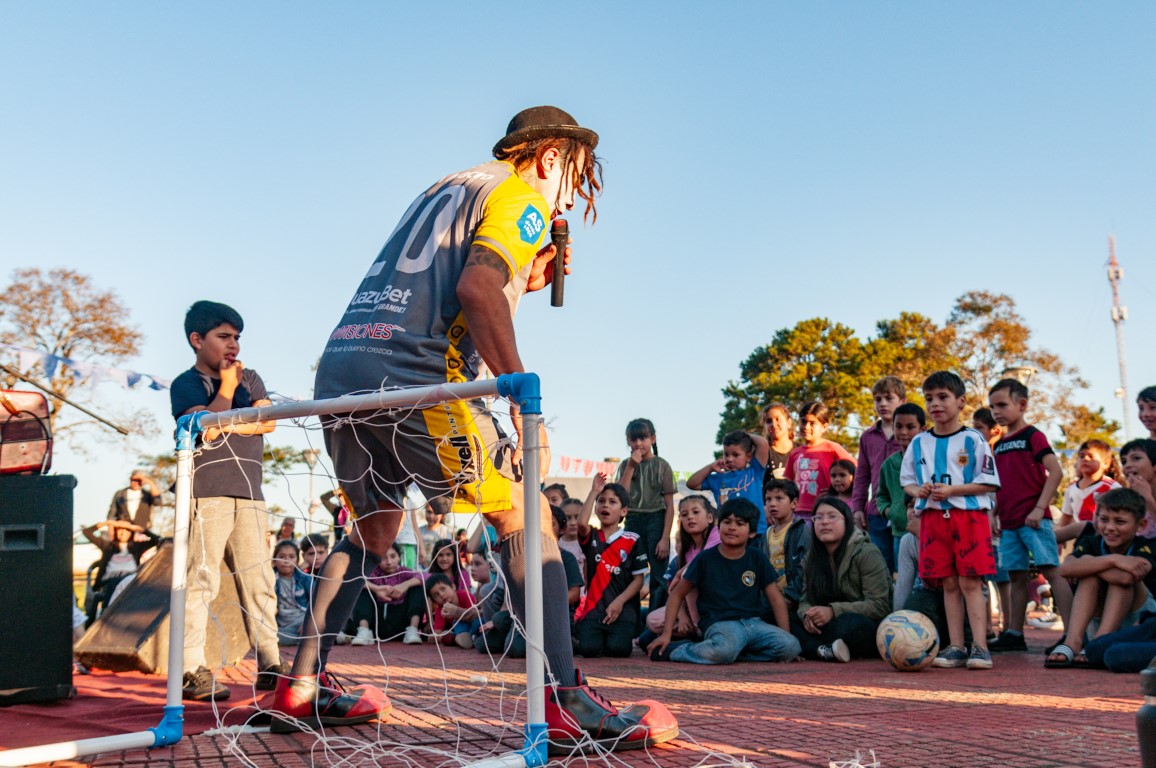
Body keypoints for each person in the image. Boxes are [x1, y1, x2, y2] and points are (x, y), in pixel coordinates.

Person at [274, 107, 676, 748]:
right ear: (550, 159)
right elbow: (477, 289)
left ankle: (299, 683)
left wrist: (515, 281)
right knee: (528, 515)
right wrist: (520, 395)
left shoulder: (451, 185)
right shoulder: (522, 196)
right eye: (573, 178)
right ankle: (564, 697)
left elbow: (455, 290)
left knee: (374, 529)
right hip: (412, 371)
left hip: (344, 366)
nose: (570, 193)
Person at [170, 300, 285, 702]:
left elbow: (268, 421)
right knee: (200, 581)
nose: (233, 344)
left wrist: (234, 410)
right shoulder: (186, 384)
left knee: (259, 580)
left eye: (236, 337)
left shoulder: (251, 376)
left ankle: (271, 664)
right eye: (223, 336)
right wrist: (231, 392)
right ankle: (188, 669)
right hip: (206, 491)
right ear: (197, 340)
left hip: (250, 492)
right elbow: (209, 431)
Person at [900, 370, 1000, 670]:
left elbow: (989, 482)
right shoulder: (919, 443)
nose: (935, 404)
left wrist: (953, 489)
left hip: (968, 517)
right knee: (948, 583)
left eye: (943, 397)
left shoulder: (974, 439)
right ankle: (956, 647)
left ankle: (980, 647)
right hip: (933, 519)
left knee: (971, 581)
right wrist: (920, 490)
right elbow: (908, 481)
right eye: (929, 398)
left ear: (961, 401)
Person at [647, 498, 800, 665]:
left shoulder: (757, 558)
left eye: (740, 523)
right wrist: (666, 634)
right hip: (720, 624)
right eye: (727, 522)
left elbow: (776, 599)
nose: (732, 527)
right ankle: (677, 650)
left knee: (791, 647)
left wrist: (786, 635)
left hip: (754, 624)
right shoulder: (705, 559)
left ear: (752, 533)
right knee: (724, 649)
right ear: (718, 527)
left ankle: (735, 654)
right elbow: (676, 594)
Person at [986, 378, 1073, 653]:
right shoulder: (998, 445)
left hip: (1034, 520)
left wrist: (1039, 508)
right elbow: (1000, 483)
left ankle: (1072, 633)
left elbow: (1056, 471)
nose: (996, 411)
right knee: (1015, 576)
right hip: (1009, 522)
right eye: (992, 407)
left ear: (1021, 404)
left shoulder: (1033, 436)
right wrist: (994, 514)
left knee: (1051, 570)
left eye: (1002, 405)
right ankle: (1014, 632)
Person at [1047, 488, 1156, 667]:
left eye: (1120, 522)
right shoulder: (1092, 541)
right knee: (1090, 577)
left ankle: (1099, 643)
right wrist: (1114, 559)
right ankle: (1072, 642)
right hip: (1097, 621)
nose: (1110, 528)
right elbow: (1066, 569)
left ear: (1141, 525)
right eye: (1104, 519)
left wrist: (1088, 564)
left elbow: (1125, 578)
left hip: (1139, 623)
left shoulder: (1147, 546)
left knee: (1115, 579)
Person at [792, 497, 892, 662]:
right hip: (824, 625)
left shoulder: (867, 553)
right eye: (818, 517)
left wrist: (832, 611)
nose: (824, 522)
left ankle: (814, 648)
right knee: (780, 616)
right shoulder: (811, 557)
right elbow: (804, 599)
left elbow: (879, 605)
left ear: (847, 522)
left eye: (832, 516)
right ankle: (822, 650)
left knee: (847, 625)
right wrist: (807, 615)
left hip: (860, 623)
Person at [573, 475, 648, 658]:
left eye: (612, 502)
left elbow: (638, 581)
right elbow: (581, 523)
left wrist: (619, 602)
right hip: (593, 609)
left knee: (619, 650)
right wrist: (593, 492)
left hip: (623, 610)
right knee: (589, 651)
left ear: (623, 511)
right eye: (601, 501)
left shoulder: (633, 540)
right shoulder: (591, 536)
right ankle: (580, 637)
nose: (605, 505)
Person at [639, 494, 721, 649]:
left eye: (696, 512)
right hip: (691, 610)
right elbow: (676, 592)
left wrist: (680, 572)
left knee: (688, 575)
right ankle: (692, 632)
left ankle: (702, 633)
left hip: (715, 607)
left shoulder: (716, 535)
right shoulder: (685, 551)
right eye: (684, 514)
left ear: (710, 518)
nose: (690, 517)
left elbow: (701, 563)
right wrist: (682, 616)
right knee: (652, 621)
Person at [615, 418, 676, 610]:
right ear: (628, 442)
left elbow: (669, 506)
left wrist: (665, 537)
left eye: (643, 438)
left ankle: (656, 620)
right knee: (630, 571)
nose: (639, 444)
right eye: (634, 440)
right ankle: (630, 621)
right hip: (632, 519)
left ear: (653, 439)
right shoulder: (626, 464)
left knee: (658, 574)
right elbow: (620, 496)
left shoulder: (662, 465)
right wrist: (632, 466)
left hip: (656, 520)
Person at [851, 377, 906, 572]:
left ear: (902, 402)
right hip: (876, 512)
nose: (882, 403)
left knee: (906, 568)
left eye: (888, 398)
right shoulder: (868, 436)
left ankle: (905, 604)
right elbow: (862, 476)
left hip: (905, 510)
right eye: (877, 399)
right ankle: (884, 603)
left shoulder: (912, 433)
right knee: (881, 568)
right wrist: (857, 508)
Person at [688, 430, 771, 544]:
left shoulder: (754, 471)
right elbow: (691, 483)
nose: (729, 459)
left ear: (748, 457)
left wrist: (743, 436)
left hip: (755, 534)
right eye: (726, 454)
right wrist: (710, 467)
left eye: (735, 455)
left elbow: (763, 444)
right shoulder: (719, 478)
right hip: (729, 535)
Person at [875, 403, 927, 570]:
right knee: (904, 580)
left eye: (910, 427)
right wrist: (891, 512)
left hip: (928, 532)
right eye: (898, 426)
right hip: (899, 532)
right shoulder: (889, 465)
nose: (903, 432)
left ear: (923, 430)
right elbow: (881, 495)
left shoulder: (931, 460)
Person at [82, 519, 161, 624]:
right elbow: (86, 532)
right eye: (120, 530)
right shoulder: (108, 546)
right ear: (115, 531)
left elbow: (159, 540)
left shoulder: (137, 547)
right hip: (110, 581)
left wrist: (137, 528)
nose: (123, 532)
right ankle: (106, 617)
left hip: (131, 581)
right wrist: (107, 523)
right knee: (115, 583)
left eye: (127, 530)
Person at [785, 402, 853, 522]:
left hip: (824, 512)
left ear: (824, 427)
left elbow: (856, 472)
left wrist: (837, 494)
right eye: (803, 422)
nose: (806, 427)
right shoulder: (795, 453)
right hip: (797, 512)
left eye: (812, 423)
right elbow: (787, 484)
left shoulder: (832, 448)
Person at [350, 543, 427, 645]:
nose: (389, 562)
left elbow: (427, 576)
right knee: (362, 588)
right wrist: (376, 589)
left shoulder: (404, 572)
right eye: (383, 558)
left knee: (417, 586)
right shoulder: (374, 573)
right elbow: (354, 579)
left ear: (399, 557)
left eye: (393, 556)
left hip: (401, 624)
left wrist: (405, 585)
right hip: (378, 623)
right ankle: (364, 631)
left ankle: (412, 630)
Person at [763, 479, 810, 613]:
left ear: (794, 503)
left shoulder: (801, 531)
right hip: (770, 601)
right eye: (768, 499)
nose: (772, 504)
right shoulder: (766, 534)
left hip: (794, 601)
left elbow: (805, 569)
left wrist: (791, 597)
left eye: (779, 498)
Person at [1059, 440, 1122, 527]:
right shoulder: (1071, 489)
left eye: (1091, 456)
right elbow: (1066, 517)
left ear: (1106, 463)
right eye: (1081, 456)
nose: (1085, 459)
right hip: (1081, 537)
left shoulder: (1113, 488)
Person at [273, 540, 314, 646]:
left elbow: (316, 603)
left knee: (318, 629)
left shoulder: (305, 579)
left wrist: (308, 622)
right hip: (283, 626)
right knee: (270, 637)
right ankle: (303, 640)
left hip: (304, 621)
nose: (287, 561)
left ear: (297, 560)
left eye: (291, 557)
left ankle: (305, 638)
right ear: (274, 559)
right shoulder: (270, 579)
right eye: (282, 557)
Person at [1121, 438, 1156, 538]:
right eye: (1124, 461)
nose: (1127, 465)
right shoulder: (1128, 500)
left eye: (1136, 458)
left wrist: (1148, 499)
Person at [760, 402, 795, 486]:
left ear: (788, 422)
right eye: (769, 421)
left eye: (777, 419)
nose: (773, 424)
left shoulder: (800, 451)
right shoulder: (761, 453)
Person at [419, 497, 453, 564]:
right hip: (420, 568)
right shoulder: (419, 530)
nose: (431, 516)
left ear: (442, 515)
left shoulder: (444, 532)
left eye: (435, 513)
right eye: (429, 512)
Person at [557, 498, 585, 580]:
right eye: (568, 518)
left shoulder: (589, 542)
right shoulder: (556, 544)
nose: (573, 522)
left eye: (577, 517)